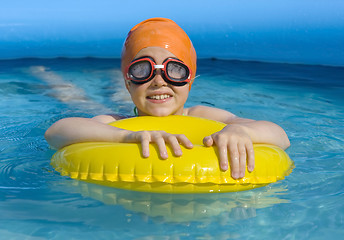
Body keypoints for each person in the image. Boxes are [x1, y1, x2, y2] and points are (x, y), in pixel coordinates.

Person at [45, 18, 290, 180]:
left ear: (190, 80)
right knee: (78, 102)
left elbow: (281, 136)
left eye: (174, 70)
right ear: (128, 81)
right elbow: (56, 132)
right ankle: (44, 74)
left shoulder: (203, 116)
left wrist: (241, 133)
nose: (159, 81)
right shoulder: (116, 122)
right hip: (129, 115)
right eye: (142, 70)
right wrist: (126, 136)